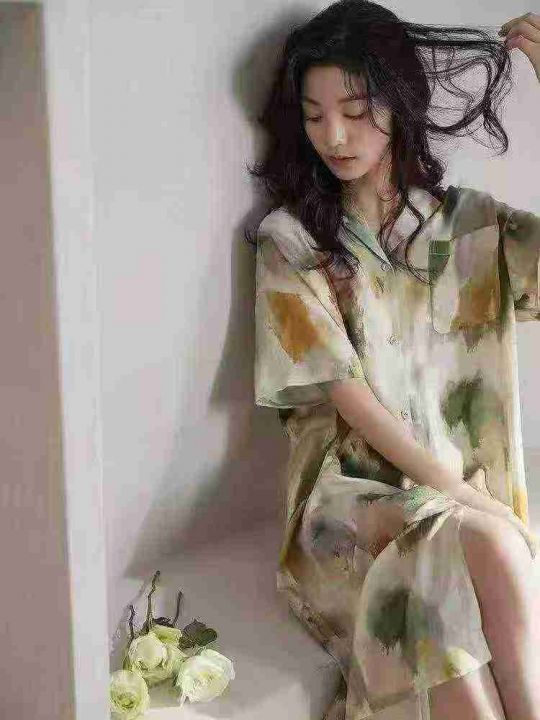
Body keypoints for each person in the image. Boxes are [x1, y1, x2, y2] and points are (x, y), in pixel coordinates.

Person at [245, 2, 540, 718]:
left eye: (355, 111)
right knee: (484, 543)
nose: (334, 135)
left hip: (466, 505)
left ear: (400, 105)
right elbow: (348, 397)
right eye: (314, 116)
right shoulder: (292, 242)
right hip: (353, 509)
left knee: (480, 563)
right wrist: (469, 499)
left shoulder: (472, 224)